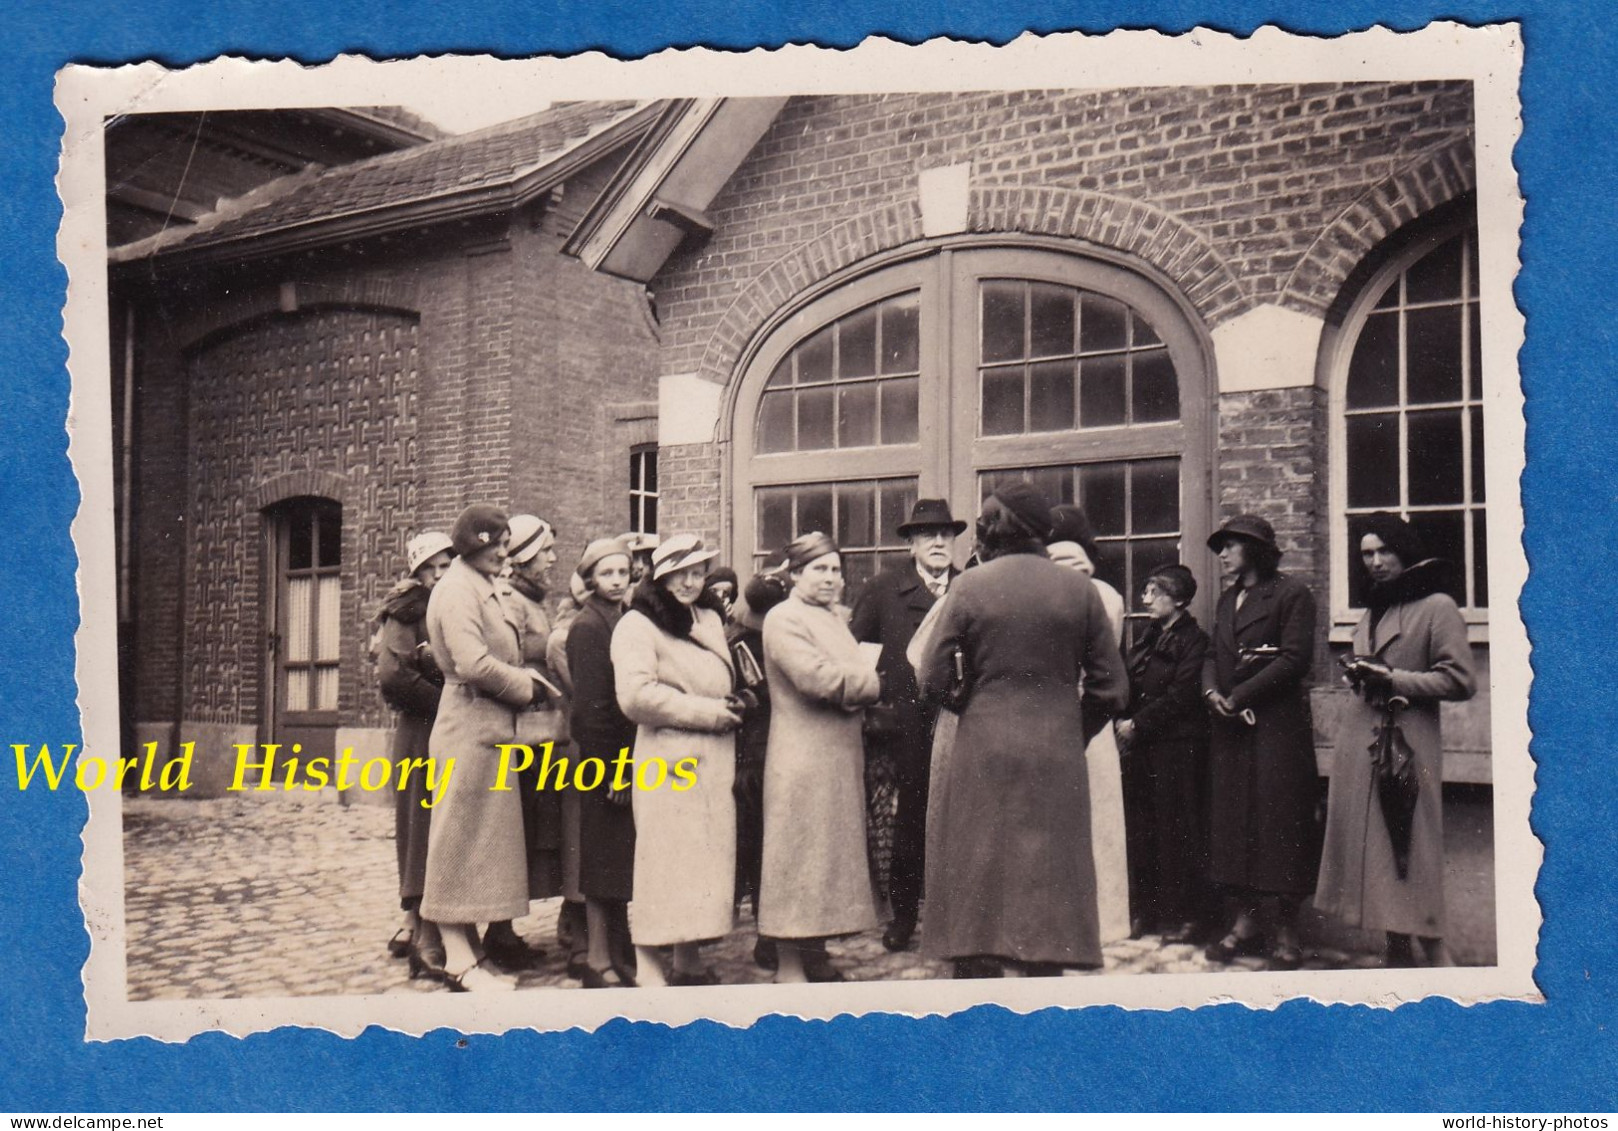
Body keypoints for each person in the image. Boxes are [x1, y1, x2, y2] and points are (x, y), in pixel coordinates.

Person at [920, 485, 1128, 976]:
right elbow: (1113, 690)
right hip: (1057, 748)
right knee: (1049, 872)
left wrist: (966, 702)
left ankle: (978, 984)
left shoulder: (970, 586)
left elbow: (930, 678)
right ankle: (1041, 987)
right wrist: (1072, 730)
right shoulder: (1079, 590)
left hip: (983, 746)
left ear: (993, 530)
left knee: (980, 866)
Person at [1315, 514, 1476, 967]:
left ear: (1404, 549)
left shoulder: (1437, 606)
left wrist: (1394, 679)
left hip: (1408, 745)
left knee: (1411, 849)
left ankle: (1441, 964)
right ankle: (1397, 954)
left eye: (1384, 550)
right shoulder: (1374, 608)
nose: (1376, 561)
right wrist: (1361, 675)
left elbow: (1461, 681)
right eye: (1367, 553)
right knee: (1381, 854)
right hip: (1362, 742)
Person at [420, 504, 554, 992]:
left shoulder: (482, 585)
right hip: (467, 724)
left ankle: (470, 948)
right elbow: (473, 662)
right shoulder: (456, 591)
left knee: (480, 843)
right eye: (497, 544)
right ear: (476, 544)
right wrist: (525, 685)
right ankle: (457, 959)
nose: (505, 553)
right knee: (456, 840)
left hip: (490, 727)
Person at [611, 534, 742, 986]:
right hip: (669, 760)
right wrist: (708, 713)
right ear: (660, 575)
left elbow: (718, 674)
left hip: (712, 760)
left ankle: (688, 960)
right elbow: (636, 696)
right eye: (680, 573)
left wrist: (734, 700)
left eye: (698, 571)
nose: (691, 581)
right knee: (662, 866)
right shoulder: (637, 625)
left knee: (701, 864)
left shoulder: (707, 616)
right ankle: (649, 965)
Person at [758, 532, 884, 983]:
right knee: (797, 861)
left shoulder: (832, 618)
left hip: (835, 758)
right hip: (802, 760)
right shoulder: (784, 618)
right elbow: (815, 678)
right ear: (794, 574)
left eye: (836, 570)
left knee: (823, 861)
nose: (832, 578)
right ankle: (789, 965)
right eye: (820, 569)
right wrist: (874, 685)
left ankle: (814, 954)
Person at [1201, 514, 1320, 971]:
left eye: (1231, 546)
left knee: (1280, 823)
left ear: (1254, 549)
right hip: (1231, 729)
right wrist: (1212, 693)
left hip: (1276, 730)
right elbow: (1214, 654)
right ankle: (1246, 922)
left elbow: (1295, 659)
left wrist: (1240, 695)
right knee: (1235, 824)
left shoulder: (1291, 595)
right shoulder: (1227, 601)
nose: (1224, 555)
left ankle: (1287, 928)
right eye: (1222, 547)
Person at [850, 498, 965, 953]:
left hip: (960, 720)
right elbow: (859, 657)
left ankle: (954, 916)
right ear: (912, 544)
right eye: (927, 535)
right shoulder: (883, 590)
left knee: (959, 819)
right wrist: (879, 700)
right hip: (907, 726)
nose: (938, 542)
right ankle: (902, 917)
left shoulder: (969, 587)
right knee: (908, 821)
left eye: (945, 534)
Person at [1045, 504, 1133, 944]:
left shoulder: (1045, 591)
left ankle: (1064, 920)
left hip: (1061, 712)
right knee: (1096, 816)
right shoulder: (1107, 595)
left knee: (1062, 818)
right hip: (1093, 717)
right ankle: (1104, 919)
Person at [1115, 564, 1212, 943]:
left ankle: (1188, 917)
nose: (1146, 599)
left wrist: (1137, 724)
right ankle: (1148, 912)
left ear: (1179, 599)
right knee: (1144, 828)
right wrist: (1125, 720)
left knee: (1180, 830)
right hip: (1143, 749)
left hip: (1178, 749)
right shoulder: (1147, 636)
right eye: (1147, 591)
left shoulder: (1194, 640)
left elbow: (1183, 693)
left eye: (1155, 592)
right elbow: (1130, 681)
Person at [375, 530, 454, 980]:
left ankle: (425, 926)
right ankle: (423, 933)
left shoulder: (454, 604)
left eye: (446, 565)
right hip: (420, 731)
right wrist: (447, 704)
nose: (440, 575)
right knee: (419, 827)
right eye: (431, 568)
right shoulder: (407, 612)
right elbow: (394, 677)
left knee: (442, 826)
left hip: (445, 731)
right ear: (417, 573)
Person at [488, 513, 564, 971]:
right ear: (523, 557)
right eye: (546, 550)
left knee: (530, 832)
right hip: (518, 735)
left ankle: (505, 927)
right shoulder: (510, 601)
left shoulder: (534, 599)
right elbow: (507, 660)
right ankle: (498, 930)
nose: (553, 558)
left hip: (540, 734)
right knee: (510, 832)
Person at [566, 536, 639, 988]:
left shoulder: (623, 619)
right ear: (591, 578)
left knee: (618, 857)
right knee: (601, 860)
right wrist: (611, 769)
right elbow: (590, 708)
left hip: (624, 755)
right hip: (600, 758)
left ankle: (618, 949)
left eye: (622, 572)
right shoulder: (588, 627)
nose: (615, 581)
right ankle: (597, 958)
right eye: (606, 573)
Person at [728, 561, 790, 968]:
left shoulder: (747, 639)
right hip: (759, 752)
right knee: (762, 846)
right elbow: (759, 694)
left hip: (770, 748)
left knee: (768, 846)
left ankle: (773, 931)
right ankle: (767, 933)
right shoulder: (745, 644)